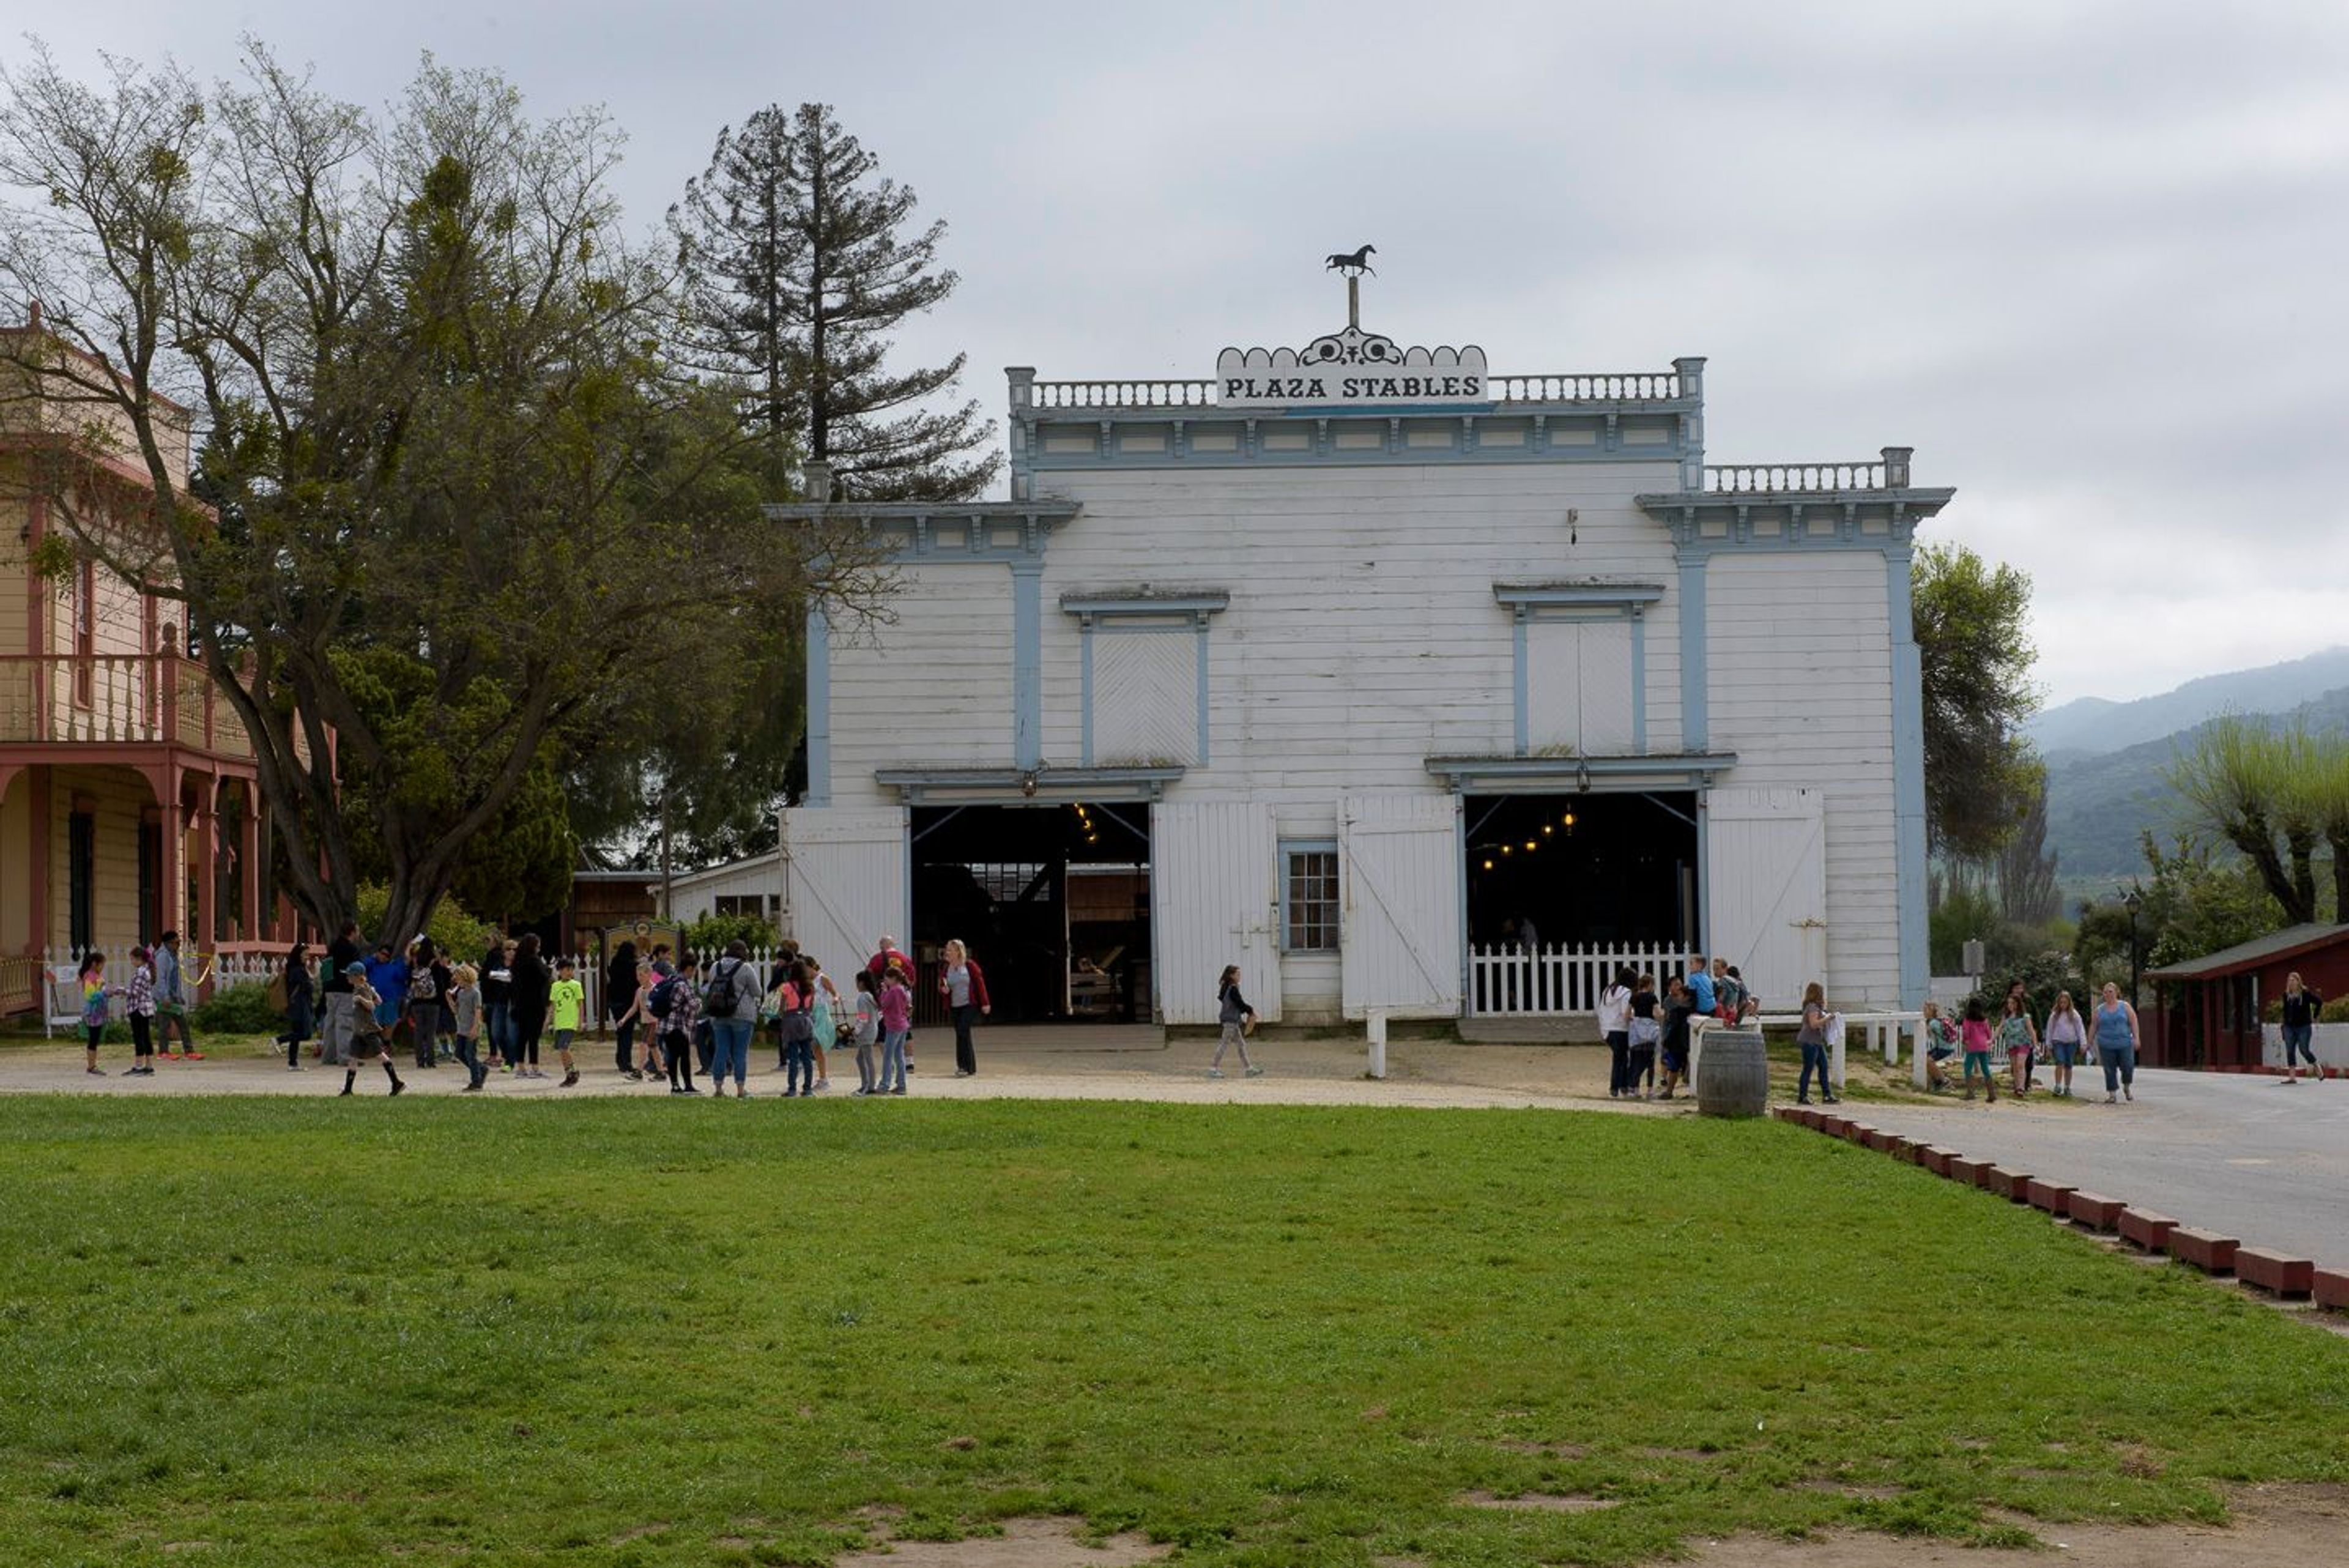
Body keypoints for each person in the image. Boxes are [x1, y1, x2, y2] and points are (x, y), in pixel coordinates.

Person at [702, 941, 760, 1098]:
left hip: (719, 1014)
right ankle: (741, 1090)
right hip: (742, 1014)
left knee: (721, 1050)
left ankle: (719, 1089)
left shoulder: (715, 966)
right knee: (740, 1053)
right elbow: (757, 992)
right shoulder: (746, 967)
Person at [338, 962, 406, 1096]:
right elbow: (379, 1000)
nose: (347, 977)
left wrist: (361, 999)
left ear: (357, 976)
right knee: (353, 1058)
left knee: (380, 1055)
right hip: (359, 1030)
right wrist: (372, 994)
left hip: (367, 1029)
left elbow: (372, 1007)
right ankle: (348, 1089)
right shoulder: (363, 987)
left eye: (349, 975)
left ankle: (397, 1083)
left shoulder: (361, 989)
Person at [938, 938, 989, 1077]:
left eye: (950, 949)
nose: (947, 952)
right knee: (963, 1035)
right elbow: (942, 985)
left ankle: (963, 1067)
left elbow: (980, 985)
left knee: (962, 1031)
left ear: (958, 951)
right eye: (947, 949)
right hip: (955, 1006)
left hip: (969, 1005)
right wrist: (944, 989)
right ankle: (970, 1067)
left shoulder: (970, 966)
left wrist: (985, 1003)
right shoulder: (946, 968)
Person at [153, 930, 202, 1061]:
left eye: (179, 943)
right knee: (165, 1025)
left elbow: (175, 978)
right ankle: (163, 1052)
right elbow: (161, 979)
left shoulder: (173, 956)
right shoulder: (163, 956)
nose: (179, 946)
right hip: (164, 997)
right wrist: (165, 997)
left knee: (183, 1024)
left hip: (173, 996)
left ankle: (189, 1052)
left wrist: (178, 996)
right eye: (176, 943)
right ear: (168, 943)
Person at [508, 934, 552, 1080]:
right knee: (534, 1037)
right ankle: (535, 1067)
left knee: (522, 1036)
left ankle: (521, 1068)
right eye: (538, 945)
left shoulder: (517, 962)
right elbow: (544, 977)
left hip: (520, 1003)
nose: (539, 948)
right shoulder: (534, 961)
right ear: (533, 946)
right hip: (535, 1003)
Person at [658, 956, 702, 1094]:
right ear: (689, 969)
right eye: (694, 970)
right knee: (684, 1055)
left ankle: (675, 1086)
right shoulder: (682, 984)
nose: (694, 973)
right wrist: (700, 1002)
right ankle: (688, 1086)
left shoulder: (671, 979)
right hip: (676, 1025)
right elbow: (694, 1004)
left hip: (665, 1025)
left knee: (673, 1055)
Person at [322, 921, 362, 1066]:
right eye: (357, 931)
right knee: (345, 1022)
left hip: (330, 989)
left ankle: (328, 1055)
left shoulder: (333, 947)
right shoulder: (351, 949)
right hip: (345, 990)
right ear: (352, 932)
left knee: (330, 1022)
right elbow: (356, 970)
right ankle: (344, 1056)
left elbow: (326, 967)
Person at [777, 957, 819, 1097]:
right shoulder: (810, 987)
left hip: (791, 1021)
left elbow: (782, 1009)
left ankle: (792, 1089)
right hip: (806, 1020)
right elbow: (811, 1007)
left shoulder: (787, 987)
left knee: (793, 1057)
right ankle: (808, 1089)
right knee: (807, 1057)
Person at [1211, 964, 1261, 1079]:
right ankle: (1213, 1069)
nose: (1240, 976)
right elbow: (1240, 1003)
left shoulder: (1227, 987)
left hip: (1232, 1021)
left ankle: (1249, 1069)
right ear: (1231, 976)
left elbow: (1227, 1000)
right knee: (1224, 1044)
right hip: (1230, 1021)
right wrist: (1251, 1010)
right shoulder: (1233, 988)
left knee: (1241, 1045)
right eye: (1238, 974)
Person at [2093, 982, 2140, 1103]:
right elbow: (2093, 1026)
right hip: (2106, 1044)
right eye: (2105, 992)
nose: (2108, 994)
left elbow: (2134, 1021)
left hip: (2124, 1043)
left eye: (2111, 991)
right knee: (2109, 1069)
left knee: (2128, 1066)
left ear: (2116, 993)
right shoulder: (2100, 1010)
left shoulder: (2125, 1006)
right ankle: (2112, 1094)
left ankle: (2127, 1086)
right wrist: (2088, 1043)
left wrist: (2136, 1038)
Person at [406, 938, 448, 1071]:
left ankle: (420, 1061)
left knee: (419, 1031)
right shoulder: (434, 962)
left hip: (417, 1002)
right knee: (431, 1032)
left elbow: (409, 980)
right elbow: (440, 984)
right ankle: (430, 1061)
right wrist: (443, 1001)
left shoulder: (414, 961)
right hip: (433, 1002)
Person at [1795, 981, 1839, 1105]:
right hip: (1810, 1042)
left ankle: (1827, 1095)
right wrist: (1828, 1018)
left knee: (1824, 1067)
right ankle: (1802, 1096)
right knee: (1808, 1069)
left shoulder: (1815, 1007)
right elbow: (1814, 1024)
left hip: (1817, 1042)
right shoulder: (1812, 1007)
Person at [78, 952, 122, 1076]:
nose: (102, 967)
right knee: (93, 1039)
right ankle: (91, 1067)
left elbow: (100, 991)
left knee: (95, 1038)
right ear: (94, 964)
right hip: (93, 1013)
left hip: (98, 1013)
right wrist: (105, 993)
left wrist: (110, 992)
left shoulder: (96, 976)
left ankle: (92, 1066)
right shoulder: (90, 977)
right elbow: (90, 996)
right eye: (102, 964)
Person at [2279, 972, 2324, 1084]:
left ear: (2299, 982)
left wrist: (2314, 1016)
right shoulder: (2286, 995)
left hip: (2304, 1027)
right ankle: (2292, 1077)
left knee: (2304, 1050)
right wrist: (2283, 1025)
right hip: (2289, 1027)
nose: (2291, 982)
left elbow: (2319, 1002)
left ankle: (2316, 1065)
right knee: (2290, 1050)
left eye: (2293, 980)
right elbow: (2285, 1011)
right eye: (2289, 980)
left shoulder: (2305, 994)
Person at [276, 942, 316, 1070]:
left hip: (296, 1004)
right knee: (306, 1033)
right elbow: (307, 987)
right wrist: (310, 978)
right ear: (298, 955)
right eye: (305, 955)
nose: (307, 957)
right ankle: (280, 1040)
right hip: (300, 1003)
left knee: (296, 1034)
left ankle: (293, 1063)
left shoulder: (294, 968)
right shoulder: (298, 970)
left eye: (308, 955)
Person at [877, 960, 913, 1095]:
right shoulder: (902, 989)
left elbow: (884, 1004)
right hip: (903, 1025)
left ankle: (884, 1085)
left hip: (894, 1026)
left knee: (888, 1056)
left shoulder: (894, 990)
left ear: (893, 979)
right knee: (899, 1056)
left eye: (886, 978)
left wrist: (884, 991)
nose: (885, 980)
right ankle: (901, 1086)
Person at [448, 964, 486, 1091]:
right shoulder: (461, 993)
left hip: (472, 1028)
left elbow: (478, 1011)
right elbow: (456, 1010)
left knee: (470, 1054)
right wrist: (449, 998)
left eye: (458, 977)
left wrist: (475, 1028)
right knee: (459, 1054)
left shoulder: (475, 993)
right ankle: (481, 1069)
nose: (456, 980)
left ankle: (476, 1082)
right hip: (462, 1028)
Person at [606, 939, 641, 1079]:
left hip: (614, 1001)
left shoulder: (614, 963)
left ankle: (620, 1059)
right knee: (627, 1033)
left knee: (621, 1031)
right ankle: (626, 1062)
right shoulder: (634, 965)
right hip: (628, 1003)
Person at [548, 957, 585, 1088]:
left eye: (571, 970)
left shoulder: (576, 985)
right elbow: (552, 1005)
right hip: (559, 1023)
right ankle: (569, 1074)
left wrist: (581, 1021)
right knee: (561, 1050)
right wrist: (548, 1021)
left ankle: (574, 1071)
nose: (570, 972)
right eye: (567, 970)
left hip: (570, 1023)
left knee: (564, 1048)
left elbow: (580, 1004)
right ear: (559, 971)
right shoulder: (555, 986)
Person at [1598, 967, 1634, 1099]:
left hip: (1608, 1029)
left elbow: (1601, 1010)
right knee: (1621, 1060)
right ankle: (1616, 1088)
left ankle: (1622, 1087)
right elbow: (1626, 1013)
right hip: (1620, 1029)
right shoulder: (1626, 993)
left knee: (1621, 1059)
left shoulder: (1607, 990)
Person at [122, 945, 158, 1076]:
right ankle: (149, 1067)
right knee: (146, 1037)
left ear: (139, 959)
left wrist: (119, 991)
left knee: (139, 1038)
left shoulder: (140, 972)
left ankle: (138, 1067)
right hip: (146, 1008)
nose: (131, 962)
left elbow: (134, 992)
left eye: (132, 959)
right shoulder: (147, 971)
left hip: (138, 1009)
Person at [1997, 985, 2039, 1099]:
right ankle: (2016, 1087)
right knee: (2014, 1066)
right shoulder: (2006, 1017)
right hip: (2012, 1044)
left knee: (2021, 1065)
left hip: (2024, 1043)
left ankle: (2021, 1088)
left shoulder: (2025, 1017)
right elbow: (2000, 1028)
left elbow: (2032, 1031)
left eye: (2012, 1003)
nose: (2010, 1006)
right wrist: (1992, 1040)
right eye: (2009, 1003)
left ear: (2018, 1004)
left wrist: (2036, 1045)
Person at [481, 937, 515, 1072]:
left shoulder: (519, 965)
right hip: (498, 1002)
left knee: (510, 1032)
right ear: (504, 951)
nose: (512, 952)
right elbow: (490, 975)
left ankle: (510, 1061)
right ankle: (508, 1054)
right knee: (496, 1032)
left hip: (513, 1003)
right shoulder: (498, 963)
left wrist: (501, 976)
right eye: (509, 949)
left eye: (514, 949)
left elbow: (514, 978)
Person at [2043, 990, 2086, 1098]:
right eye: (2061, 1002)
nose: (2063, 1005)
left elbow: (2080, 1029)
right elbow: (2050, 1030)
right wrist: (2048, 1045)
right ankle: (2058, 1086)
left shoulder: (2074, 1015)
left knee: (2069, 1065)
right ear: (2058, 1003)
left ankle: (2067, 1087)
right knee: (2060, 1062)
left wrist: (2083, 1044)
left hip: (2071, 1043)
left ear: (2069, 1003)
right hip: (2058, 1042)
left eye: (2065, 1003)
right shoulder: (2054, 1015)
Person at [1657, 978, 1694, 1100]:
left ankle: (1669, 1092)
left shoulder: (1677, 1011)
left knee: (1673, 1067)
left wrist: (1666, 1041)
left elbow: (1672, 1027)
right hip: (1687, 1043)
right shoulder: (1693, 1011)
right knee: (1685, 1064)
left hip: (1676, 1044)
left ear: (1684, 996)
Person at [1626, 972, 1661, 1099]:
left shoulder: (1634, 997)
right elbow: (1658, 1014)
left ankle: (1635, 1089)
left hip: (1636, 1032)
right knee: (1650, 1062)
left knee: (1635, 1060)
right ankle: (1650, 1090)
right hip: (1649, 1032)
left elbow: (1627, 1015)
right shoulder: (1652, 997)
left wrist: (1635, 1019)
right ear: (1650, 984)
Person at [848, 969, 881, 1095]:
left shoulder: (863, 997)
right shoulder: (871, 996)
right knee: (861, 1059)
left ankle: (869, 1087)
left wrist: (856, 1031)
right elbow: (878, 1015)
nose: (856, 985)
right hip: (872, 1030)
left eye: (857, 982)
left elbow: (863, 1018)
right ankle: (866, 1085)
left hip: (866, 1032)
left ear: (862, 983)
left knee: (867, 1059)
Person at [1960, 998, 1998, 1102]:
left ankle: (1970, 1093)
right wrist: (1989, 1042)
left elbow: (1966, 1032)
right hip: (1983, 1045)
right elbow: (1989, 1033)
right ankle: (1992, 1094)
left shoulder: (1967, 1020)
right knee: (1985, 1068)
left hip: (1973, 1045)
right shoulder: (1984, 1020)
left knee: (1968, 1067)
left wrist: (1965, 1041)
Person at [1921, 1000, 1959, 1091]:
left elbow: (1925, 1033)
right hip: (1945, 1047)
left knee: (1929, 1061)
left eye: (1925, 1010)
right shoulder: (1938, 1020)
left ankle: (1945, 1081)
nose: (1923, 1012)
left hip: (1944, 1048)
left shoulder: (1933, 1023)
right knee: (1925, 1059)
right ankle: (1937, 1081)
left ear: (1931, 1011)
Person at [1711, 959, 1743, 1024]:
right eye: (1714, 969)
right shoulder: (1733, 981)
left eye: (1717, 969)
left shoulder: (1722, 982)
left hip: (1724, 1013)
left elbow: (1721, 998)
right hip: (1733, 1011)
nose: (1715, 971)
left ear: (1725, 969)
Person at [1685, 954, 1716, 1019]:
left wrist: (1692, 1011)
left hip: (1702, 1008)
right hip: (1712, 1006)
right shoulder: (1706, 977)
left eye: (1691, 964)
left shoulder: (1693, 978)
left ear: (1699, 965)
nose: (1689, 966)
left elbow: (1693, 996)